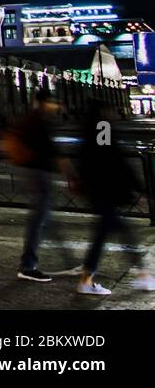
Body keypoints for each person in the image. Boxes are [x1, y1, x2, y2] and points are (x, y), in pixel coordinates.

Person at [74, 99, 155, 296]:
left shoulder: (89, 129)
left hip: (99, 192)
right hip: (106, 193)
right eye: (110, 109)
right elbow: (112, 159)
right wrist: (138, 187)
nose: (114, 113)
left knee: (104, 236)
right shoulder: (102, 128)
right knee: (122, 234)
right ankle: (142, 277)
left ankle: (141, 276)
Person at [9, 89, 72, 282]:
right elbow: (51, 149)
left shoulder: (34, 119)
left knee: (44, 219)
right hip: (38, 173)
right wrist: (70, 172)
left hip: (34, 172)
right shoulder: (38, 121)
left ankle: (67, 261)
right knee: (39, 220)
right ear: (44, 102)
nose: (54, 104)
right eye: (52, 101)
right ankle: (28, 266)